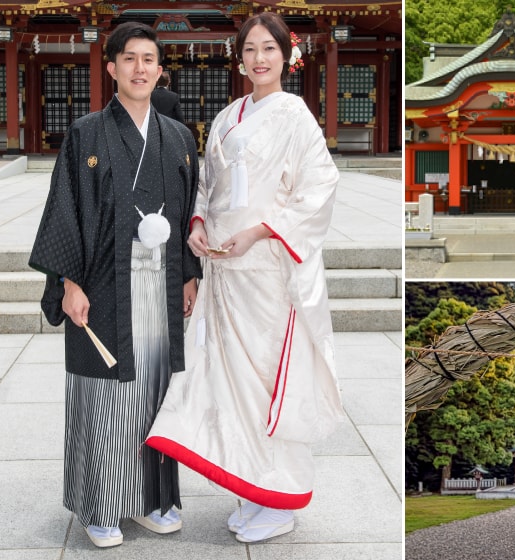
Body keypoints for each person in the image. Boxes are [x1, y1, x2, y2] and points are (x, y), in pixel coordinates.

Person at [145, 12, 345, 544]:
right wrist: (198, 222)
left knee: (264, 382)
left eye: (269, 49)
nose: (259, 59)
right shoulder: (231, 115)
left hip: (270, 270)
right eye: (251, 50)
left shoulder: (296, 115)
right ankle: (250, 489)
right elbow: (207, 181)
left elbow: (319, 187)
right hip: (224, 269)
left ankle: (278, 497)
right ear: (240, 59)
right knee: (228, 382)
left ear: (286, 56)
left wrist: (260, 231)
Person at [27, 21, 200, 549]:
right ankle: (99, 505)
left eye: (149, 60)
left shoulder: (179, 137)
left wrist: (190, 275)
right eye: (129, 59)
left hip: (161, 284)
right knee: (104, 395)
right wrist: (68, 282)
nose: (140, 69)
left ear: (160, 71)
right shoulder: (86, 134)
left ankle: (151, 499)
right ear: (111, 68)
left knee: (153, 389)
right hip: (101, 284)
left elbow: (191, 210)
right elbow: (66, 212)